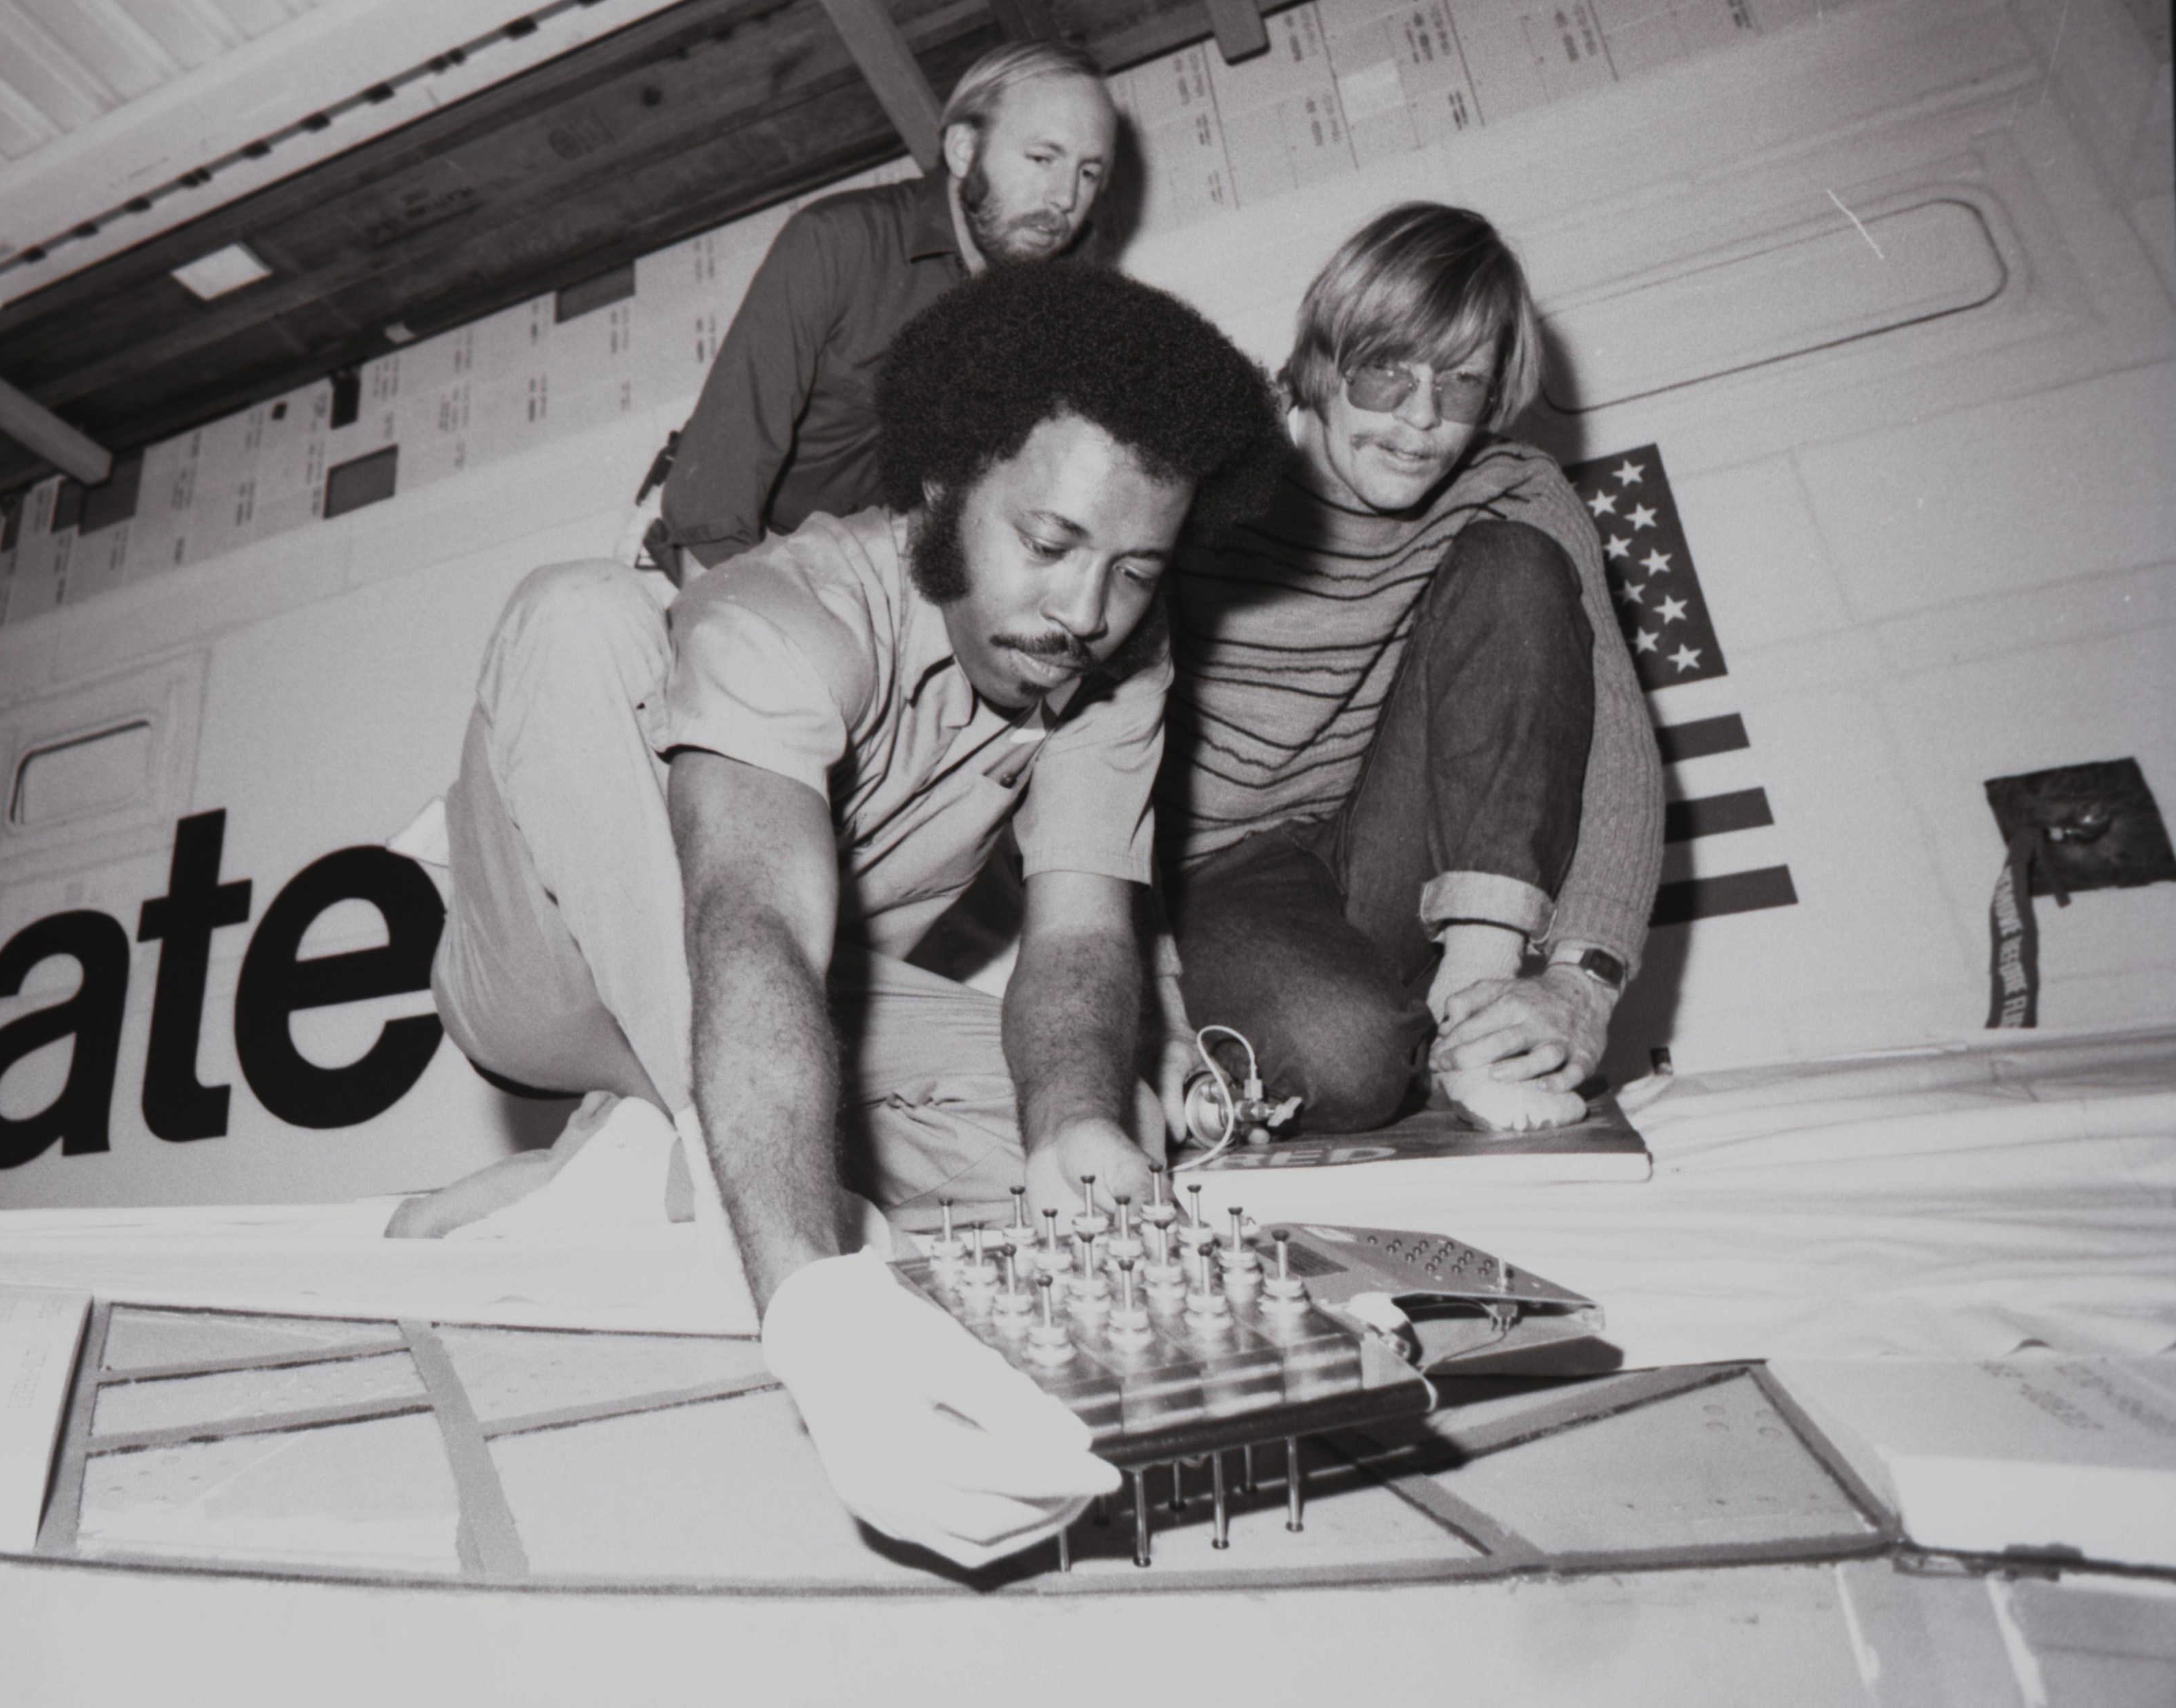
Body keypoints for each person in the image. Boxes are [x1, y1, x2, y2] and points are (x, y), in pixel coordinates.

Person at [401, 264, 1284, 1569]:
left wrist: (1075, 1122)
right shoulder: (793, 613)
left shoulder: (1118, 667)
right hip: (561, 961)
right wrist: (814, 1309)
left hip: (790, 999)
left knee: (1108, 1139)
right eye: (1046, 546)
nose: (1086, 615)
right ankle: (722, 1162)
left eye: (1132, 569)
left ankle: (631, 1173)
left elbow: (1082, 935)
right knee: (576, 616)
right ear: (938, 494)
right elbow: (752, 921)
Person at [1157, 203, 1662, 1136]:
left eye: (1462, 383)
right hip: (1215, 871)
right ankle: (1343, 1045)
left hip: (1379, 836)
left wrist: (1579, 986)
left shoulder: (1515, 488)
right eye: (1387, 372)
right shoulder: (1205, 480)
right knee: (1348, 1066)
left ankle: (1473, 1016)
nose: (1421, 421)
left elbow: (1617, 756)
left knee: (1517, 566)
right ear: (1322, 362)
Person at [652, 40, 1118, 578]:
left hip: (860, 571)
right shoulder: (837, 241)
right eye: (1042, 159)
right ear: (965, 150)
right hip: (725, 548)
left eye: (1088, 174)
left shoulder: (1061, 310)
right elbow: (711, 506)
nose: (1064, 197)